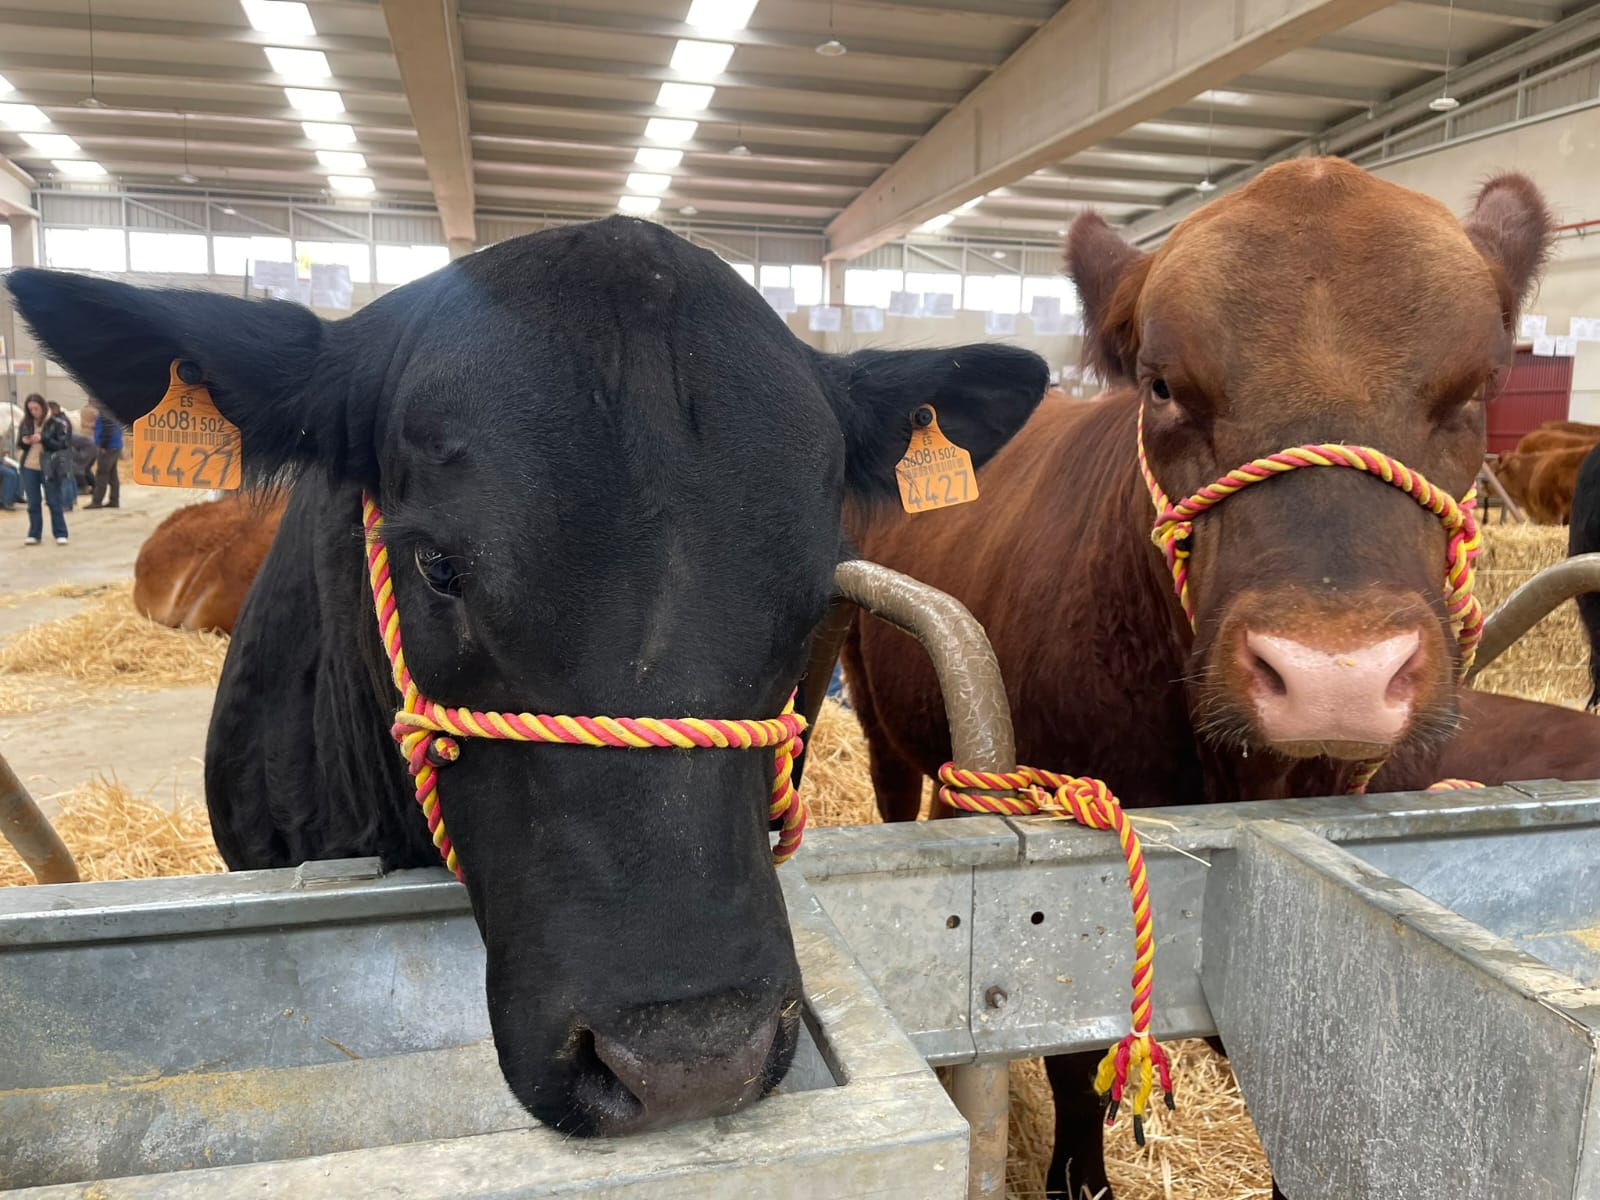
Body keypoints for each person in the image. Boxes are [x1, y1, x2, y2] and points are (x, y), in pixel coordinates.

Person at [17, 393, 70, 545]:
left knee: (54, 500)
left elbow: (62, 444)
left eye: (36, 408)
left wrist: (43, 439)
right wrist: (25, 441)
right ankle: (34, 533)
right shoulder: (26, 423)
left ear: (43, 407)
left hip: (49, 466)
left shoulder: (56, 423)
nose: (33, 412)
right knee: (33, 502)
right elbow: (20, 443)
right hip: (29, 466)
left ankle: (60, 532)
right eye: (30, 409)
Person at [88, 409, 122, 509]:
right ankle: (114, 500)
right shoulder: (113, 410)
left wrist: (103, 445)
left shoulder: (105, 411)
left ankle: (97, 501)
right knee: (112, 474)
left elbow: (107, 429)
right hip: (116, 444)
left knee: (102, 474)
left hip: (108, 447)